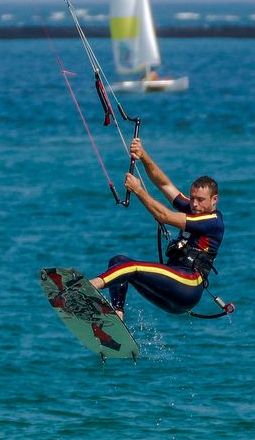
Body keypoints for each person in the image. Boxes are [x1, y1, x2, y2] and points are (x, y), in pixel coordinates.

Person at [89, 136, 224, 320]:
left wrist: (138, 190)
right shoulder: (193, 208)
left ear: (214, 200)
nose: (194, 204)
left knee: (132, 267)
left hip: (188, 287)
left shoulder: (212, 221)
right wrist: (144, 156)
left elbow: (164, 216)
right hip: (171, 291)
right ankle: (117, 314)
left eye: (200, 200)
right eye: (192, 198)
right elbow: (164, 184)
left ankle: (86, 288)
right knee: (118, 261)